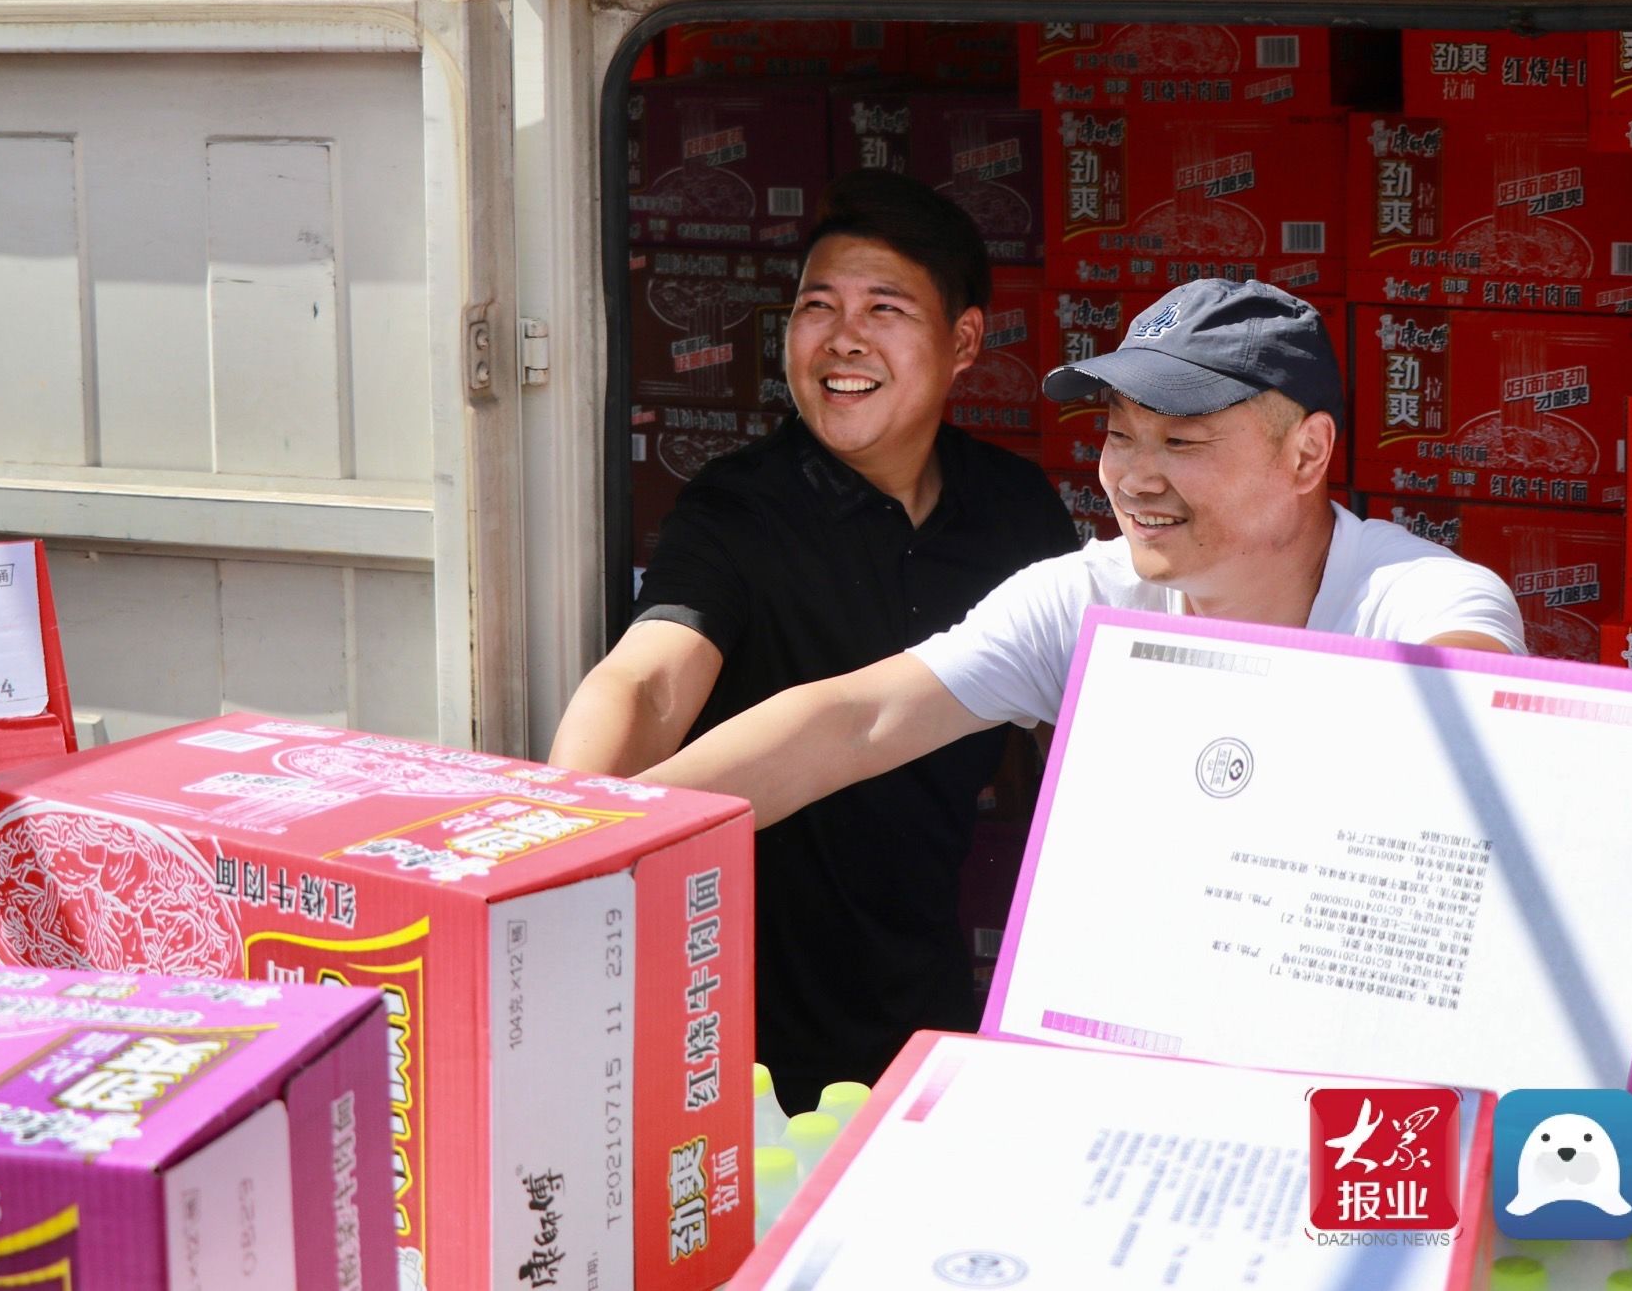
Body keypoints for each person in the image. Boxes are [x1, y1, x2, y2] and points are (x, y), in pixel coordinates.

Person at [551, 169, 1078, 1111]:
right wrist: (559, 840)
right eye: (817, 307)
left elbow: (1069, 744)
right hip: (745, 1019)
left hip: (921, 992)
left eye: (884, 308)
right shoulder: (737, 507)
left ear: (964, 342)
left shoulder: (1014, 511)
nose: (843, 338)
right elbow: (651, 676)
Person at [639, 277, 1527, 836]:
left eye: (1182, 443)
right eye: (1117, 435)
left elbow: (1480, 733)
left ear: (1306, 454)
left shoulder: (1416, 599)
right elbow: (853, 722)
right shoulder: (1082, 601)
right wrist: (600, 838)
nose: (1135, 479)